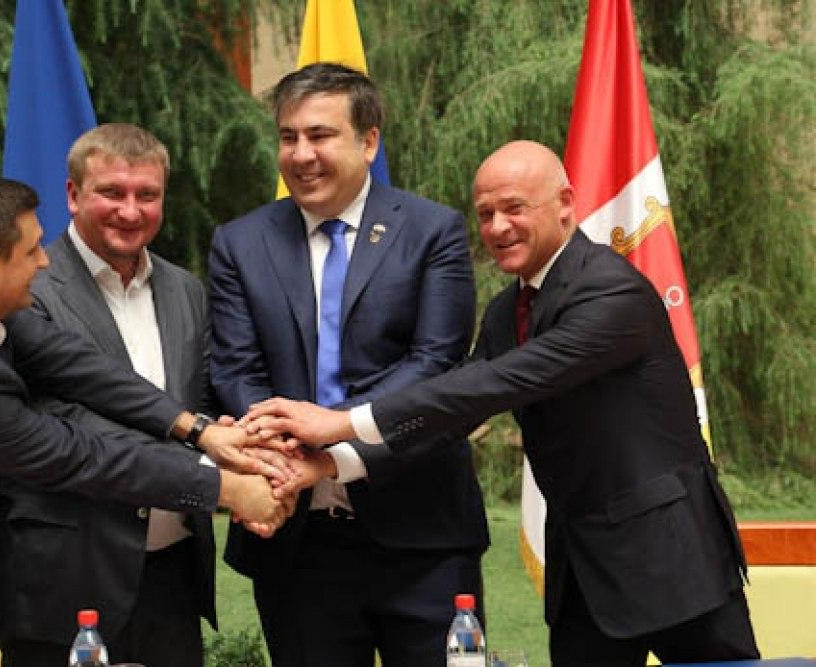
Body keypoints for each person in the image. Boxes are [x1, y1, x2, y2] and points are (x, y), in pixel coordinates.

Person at [244, 141, 760, 666]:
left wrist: (340, 422)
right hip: (583, 571)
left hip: (672, 562)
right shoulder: (506, 310)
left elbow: (496, 383)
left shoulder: (611, 291)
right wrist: (331, 465)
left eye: (514, 208)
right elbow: (453, 415)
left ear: (565, 203)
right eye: (486, 213)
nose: (497, 227)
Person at [0, 175, 289, 667]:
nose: (45, 262)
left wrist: (196, 428)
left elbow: (72, 362)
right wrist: (226, 488)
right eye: (32, 251)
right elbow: (80, 457)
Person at [209, 63, 489, 667]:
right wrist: (285, 451)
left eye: (320, 135)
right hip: (296, 540)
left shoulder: (431, 231)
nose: (301, 154)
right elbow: (234, 371)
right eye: (288, 137)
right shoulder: (240, 242)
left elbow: (435, 364)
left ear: (368, 142)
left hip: (423, 534)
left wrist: (330, 436)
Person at [0, 124, 219, 666]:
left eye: (147, 195)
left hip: (173, 572)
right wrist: (210, 467)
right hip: (66, 577)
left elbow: (200, 401)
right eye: (112, 192)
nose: (130, 211)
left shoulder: (186, 289)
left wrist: (232, 435)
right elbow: (59, 422)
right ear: (73, 195)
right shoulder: (25, 290)